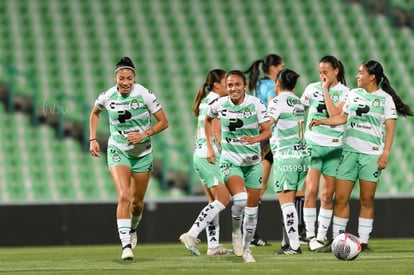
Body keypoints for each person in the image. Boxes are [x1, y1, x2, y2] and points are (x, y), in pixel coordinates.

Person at [309, 60, 413, 251]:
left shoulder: (385, 99)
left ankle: (363, 242)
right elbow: (342, 117)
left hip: (371, 155)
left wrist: (385, 154)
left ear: (372, 76)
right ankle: (336, 240)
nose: (357, 76)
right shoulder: (354, 94)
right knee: (340, 198)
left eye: (360, 73)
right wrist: (322, 121)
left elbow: (390, 129)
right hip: (348, 152)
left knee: (367, 199)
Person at [89, 56, 169, 260]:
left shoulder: (145, 95)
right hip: (118, 150)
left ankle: (132, 229)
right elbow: (95, 112)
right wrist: (93, 138)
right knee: (123, 195)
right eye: (121, 78)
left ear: (134, 78)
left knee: (137, 202)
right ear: (115, 78)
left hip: (142, 154)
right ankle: (125, 245)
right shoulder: (108, 96)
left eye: (129, 78)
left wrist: (145, 134)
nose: (125, 82)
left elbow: (164, 122)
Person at [205, 70, 271, 263]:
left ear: (245, 87)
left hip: (252, 163)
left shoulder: (256, 104)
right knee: (241, 199)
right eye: (230, 85)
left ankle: (247, 248)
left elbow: (267, 130)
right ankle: (235, 231)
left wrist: (255, 138)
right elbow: (207, 119)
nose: (233, 88)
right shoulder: (219, 104)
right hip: (230, 160)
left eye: (237, 85)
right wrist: (211, 144)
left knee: (252, 210)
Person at [179, 69, 232, 256]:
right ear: (217, 84)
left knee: (213, 202)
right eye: (227, 81)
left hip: (199, 154)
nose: (230, 84)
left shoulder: (205, 102)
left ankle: (213, 245)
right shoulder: (218, 102)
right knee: (224, 199)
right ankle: (191, 234)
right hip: (210, 155)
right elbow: (217, 133)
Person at [300, 55, 350, 252]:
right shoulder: (310, 89)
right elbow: (298, 111)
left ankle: (321, 237)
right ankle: (310, 235)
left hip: (334, 146)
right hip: (312, 143)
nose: (322, 76)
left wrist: (325, 90)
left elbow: (335, 115)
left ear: (336, 71)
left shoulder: (346, 93)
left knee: (328, 195)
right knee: (311, 190)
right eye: (320, 72)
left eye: (326, 72)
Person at [267, 69, 310, 255]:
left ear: (277, 83)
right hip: (301, 154)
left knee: (285, 202)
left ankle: (294, 245)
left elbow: (266, 124)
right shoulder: (298, 101)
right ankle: (287, 242)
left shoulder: (277, 102)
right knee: (291, 202)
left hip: (286, 155)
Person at [244, 54, 285, 246]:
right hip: (269, 139)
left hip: (262, 139)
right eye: (281, 65)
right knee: (259, 187)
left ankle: (251, 233)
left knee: (259, 186)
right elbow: (271, 109)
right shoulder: (271, 85)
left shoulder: (257, 84)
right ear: (273, 68)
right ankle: (250, 234)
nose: (283, 68)